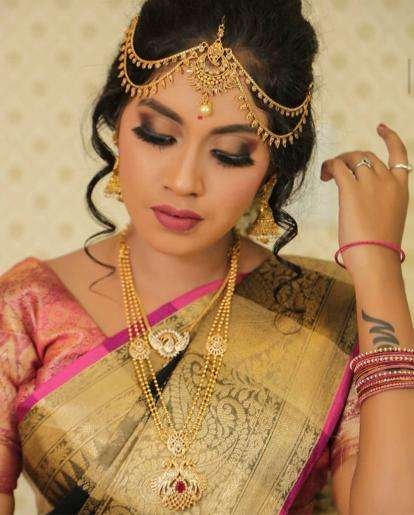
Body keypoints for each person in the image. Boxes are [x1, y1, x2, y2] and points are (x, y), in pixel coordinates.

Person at [1, 1, 413, 514]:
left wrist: (377, 265)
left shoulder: (330, 312)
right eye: (157, 135)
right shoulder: (27, 308)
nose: (183, 181)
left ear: (272, 170)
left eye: (230, 154)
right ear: (116, 123)